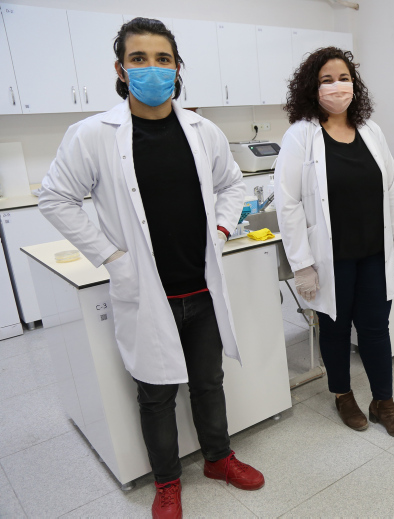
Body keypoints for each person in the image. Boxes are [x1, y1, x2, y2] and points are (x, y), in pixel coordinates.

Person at [38, 18, 263, 519]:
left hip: (201, 288)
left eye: (163, 59)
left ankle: (218, 458)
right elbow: (55, 198)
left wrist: (221, 230)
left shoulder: (203, 132)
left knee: (208, 381)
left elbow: (232, 185)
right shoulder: (93, 135)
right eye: (138, 59)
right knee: (156, 394)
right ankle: (166, 483)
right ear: (121, 70)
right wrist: (111, 256)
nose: (152, 69)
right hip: (145, 291)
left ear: (178, 67)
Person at [275, 47, 394, 438]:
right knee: (335, 330)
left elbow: (391, 189)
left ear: (355, 84)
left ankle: (383, 402)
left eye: (344, 78)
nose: (337, 87)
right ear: (312, 87)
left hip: (373, 252)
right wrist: (302, 264)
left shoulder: (370, 130)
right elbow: (288, 203)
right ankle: (342, 394)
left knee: (375, 328)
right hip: (330, 258)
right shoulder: (301, 135)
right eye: (327, 80)